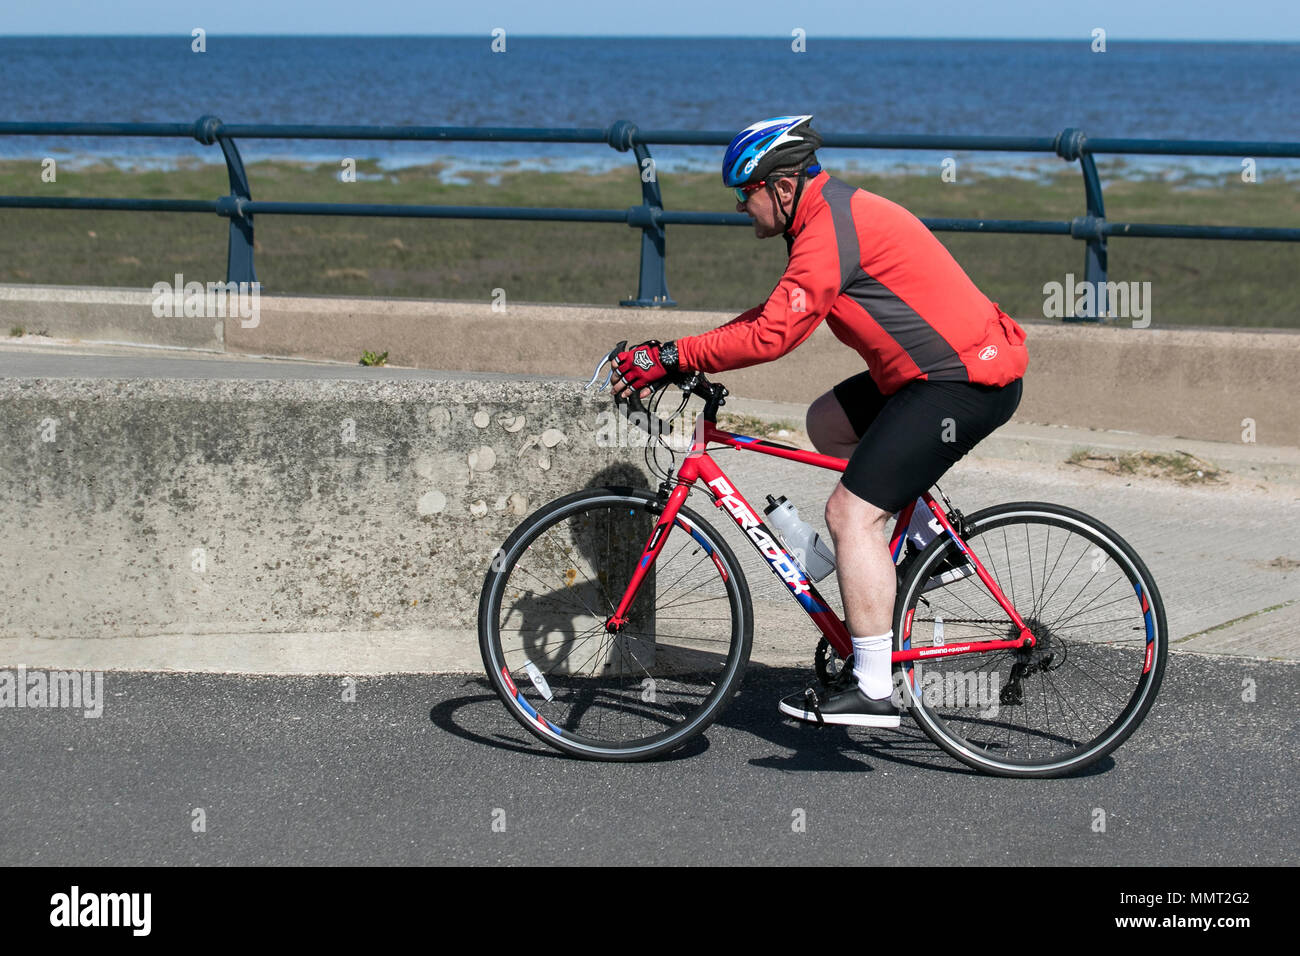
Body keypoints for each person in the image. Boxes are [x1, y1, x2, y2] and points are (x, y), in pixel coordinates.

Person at [608, 115, 1028, 728]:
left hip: (961, 382)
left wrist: (672, 355)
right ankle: (927, 546)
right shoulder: (825, 215)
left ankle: (876, 686)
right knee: (828, 423)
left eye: (743, 193)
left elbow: (774, 335)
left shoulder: (831, 226)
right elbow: (777, 311)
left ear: (780, 187)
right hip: (926, 376)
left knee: (849, 513)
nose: (739, 207)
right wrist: (680, 350)